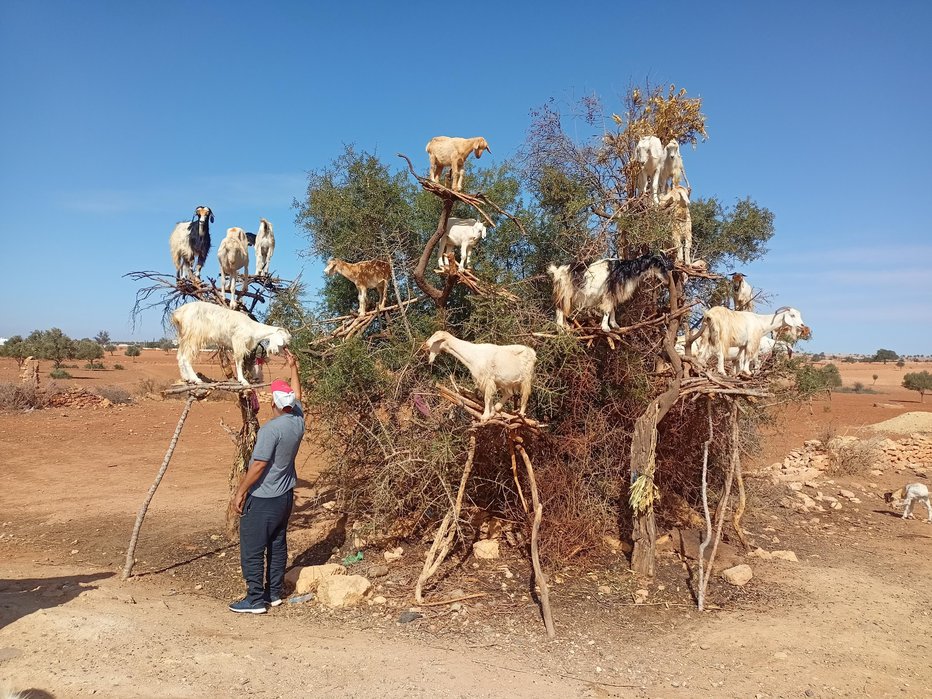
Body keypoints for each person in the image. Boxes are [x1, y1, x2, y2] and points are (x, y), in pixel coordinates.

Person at [228, 347, 304, 614]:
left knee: (252, 548)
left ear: (272, 403)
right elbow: (299, 396)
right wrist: (293, 367)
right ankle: (273, 593)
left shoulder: (271, 430)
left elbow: (259, 465)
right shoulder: (297, 420)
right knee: (277, 543)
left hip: (263, 498)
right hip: (285, 498)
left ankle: (254, 599)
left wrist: (241, 491)